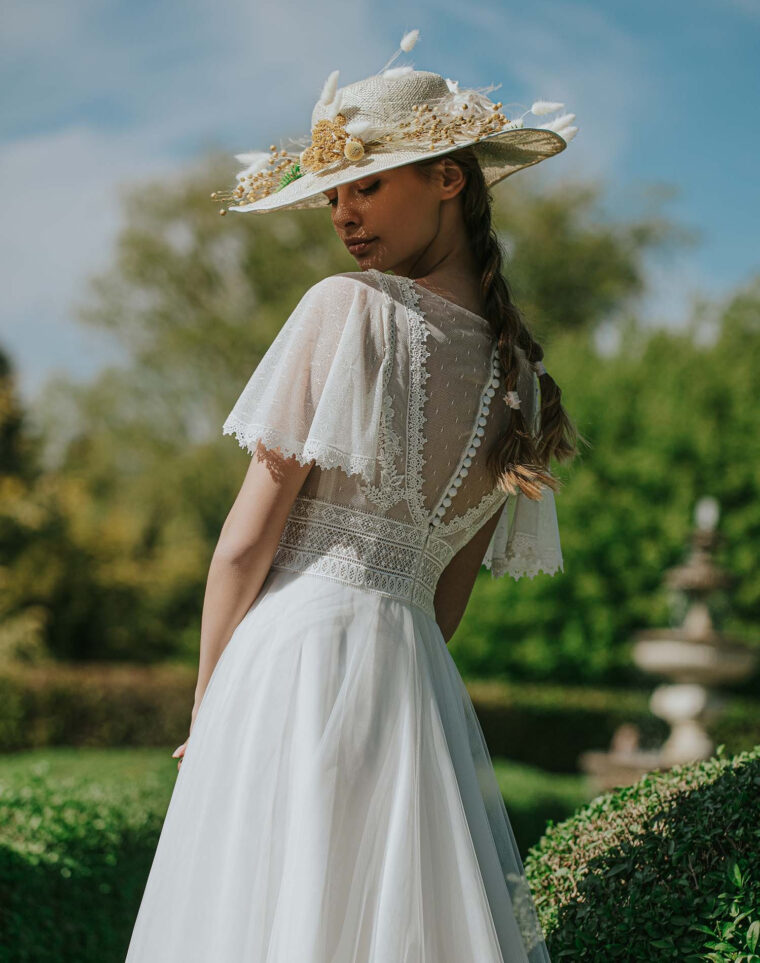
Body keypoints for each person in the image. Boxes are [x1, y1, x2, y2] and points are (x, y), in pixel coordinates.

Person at [125, 29, 581, 963]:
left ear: (449, 178)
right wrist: (398, 680)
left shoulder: (348, 309)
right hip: (411, 681)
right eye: (334, 194)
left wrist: (208, 706)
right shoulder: (523, 385)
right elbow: (447, 597)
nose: (343, 214)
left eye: (367, 184)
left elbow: (244, 546)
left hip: (290, 657)